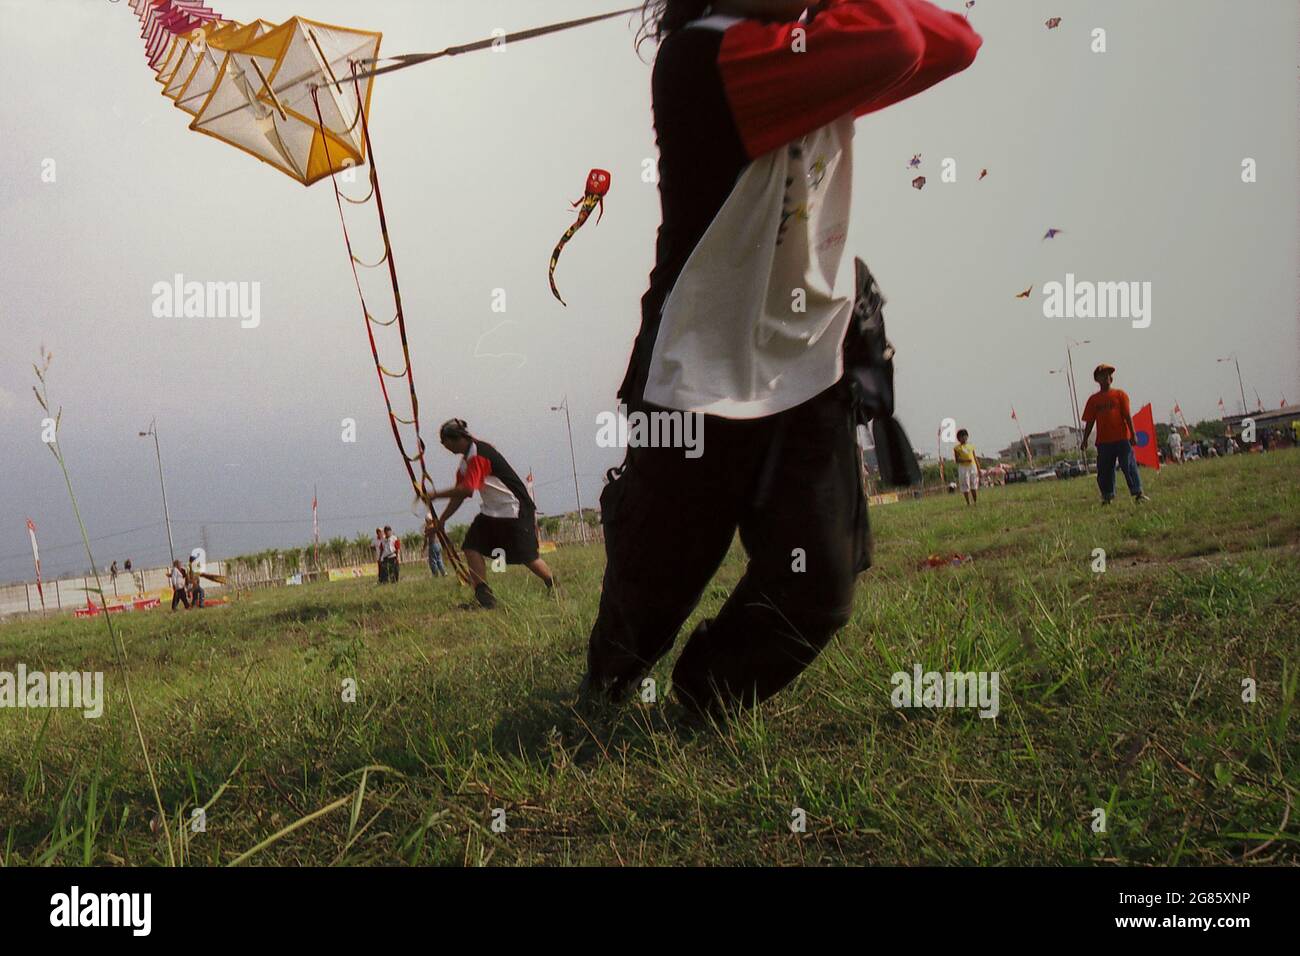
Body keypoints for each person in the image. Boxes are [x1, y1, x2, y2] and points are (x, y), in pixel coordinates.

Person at [580, 0, 981, 720]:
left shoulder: (812, 44)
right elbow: (900, 38)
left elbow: (955, 43)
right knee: (655, 583)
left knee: (820, 587)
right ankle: (602, 692)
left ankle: (703, 698)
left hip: (810, 362)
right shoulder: (705, 58)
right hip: (698, 375)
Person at [427, 418, 554, 608]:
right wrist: (442, 520)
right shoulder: (465, 462)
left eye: (444, 443)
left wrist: (436, 495)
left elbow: (467, 489)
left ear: (454, 439)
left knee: (527, 556)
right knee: (471, 545)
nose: (445, 448)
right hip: (493, 511)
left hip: (515, 508)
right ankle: (484, 598)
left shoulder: (479, 453)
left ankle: (554, 585)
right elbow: (459, 495)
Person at [1080, 363, 1149, 505]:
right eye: (1103, 375)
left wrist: (1133, 434)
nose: (1107, 377)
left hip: (1122, 438)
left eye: (1109, 374)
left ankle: (1138, 493)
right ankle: (1107, 496)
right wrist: (1085, 439)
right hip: (1104, 441)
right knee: (1105, 470)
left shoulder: (1120, 395)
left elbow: (1127, 415)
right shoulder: (1093, 400)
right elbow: (1090, 421)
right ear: (1097, 379)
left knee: (1128, 465)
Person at [953, 428, 980, 505]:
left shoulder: (971, 446)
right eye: (962, 436)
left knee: (974, 484)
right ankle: (968, 502)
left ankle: (975, 502)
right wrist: (965, 461)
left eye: (965, 436)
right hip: (963, 468)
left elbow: (975, 457)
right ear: (958, 438)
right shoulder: (957, 448)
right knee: (965, 485)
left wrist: (978, 468)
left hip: (972, 466)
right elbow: (957, 460)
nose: (964, 438)